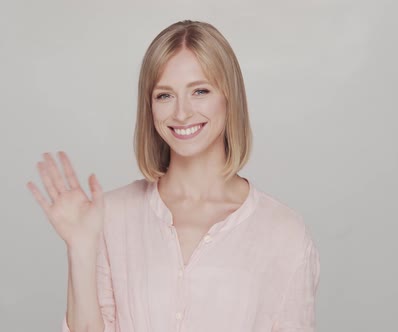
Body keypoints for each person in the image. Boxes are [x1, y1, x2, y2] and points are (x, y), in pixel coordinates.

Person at [27, 20, 320, 332]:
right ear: (149, 106)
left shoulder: (283, 232)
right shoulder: (109, 216)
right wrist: (82, 248)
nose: (182, 113)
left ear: (229, 97)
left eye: (200, 91)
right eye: (165, 95)